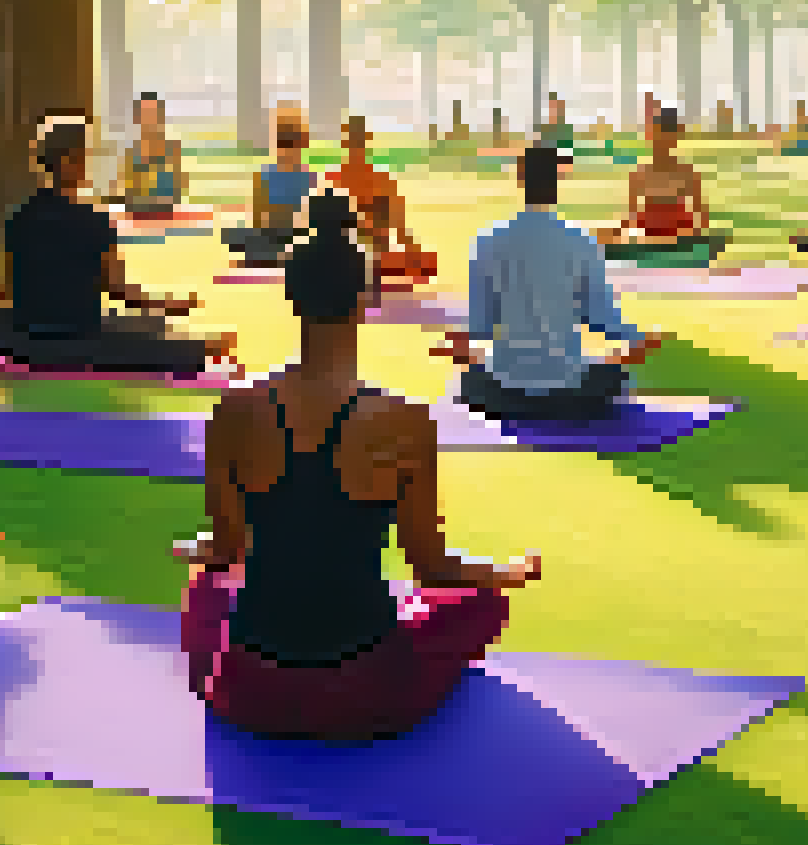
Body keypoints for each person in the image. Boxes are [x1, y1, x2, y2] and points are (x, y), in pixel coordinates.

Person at [176, 192, 538, 741]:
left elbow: (227, 551)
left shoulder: (232, 410)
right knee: (481, 603)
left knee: (205, 589)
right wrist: (502, 572)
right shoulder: (407, 421)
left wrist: (198, 551)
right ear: (363, 300)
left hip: (249, 690)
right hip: (368, 693)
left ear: (292, 300)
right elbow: (429, 566)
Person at [0, 111, 237, 375]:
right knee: (142, 336)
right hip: (79, 335)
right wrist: (168, 304)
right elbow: (119, 290)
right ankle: (208, 347)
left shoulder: (19, 216)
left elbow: (9, 290)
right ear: (72, 161)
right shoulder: (93, 219)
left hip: (26, 337)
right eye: (84, 156)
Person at [438, 145, 665, 422]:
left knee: (467, 377)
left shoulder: (487, 241)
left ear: (521, 180)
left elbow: (480, 328)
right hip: (571, 391)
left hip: (502, 392)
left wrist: (456, 344)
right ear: (557, 182)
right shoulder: (582, 241)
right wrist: (643, 340)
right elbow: (603, 321)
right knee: (616, 370)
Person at [327, 115, 437, 285]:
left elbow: (398, 225)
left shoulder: (379, 180)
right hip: (350, 255)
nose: (355, 147)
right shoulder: (335, 179)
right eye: (353, 141)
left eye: (358, 141)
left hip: (369, 256)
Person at [597, 107, 719, 257]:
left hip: (679, 239)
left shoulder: (686, 173)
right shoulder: (641, 174)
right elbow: (631, 216)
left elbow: (701, 216)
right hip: (652, 238)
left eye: (666, 136)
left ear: (674, 139)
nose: (659, 141)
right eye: (657, 135)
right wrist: (614, 235)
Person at [224, 109, 316, 267]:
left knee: (253, 240)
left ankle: (268, 254)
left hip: (290, 233)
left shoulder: (307, 175)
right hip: (270, 232)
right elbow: (258, 216)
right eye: (285, 142)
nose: (288, 149)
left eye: (291, 142)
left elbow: (306, 217)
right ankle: (269, 253)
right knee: (233, 235)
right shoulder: (267, 172)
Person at [112, 91, 189, 215]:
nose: (149, 119)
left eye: (153, 114)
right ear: (137, 118)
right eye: (144, 114)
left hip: (165, 214)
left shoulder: (173, 149)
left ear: (160, 117)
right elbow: (124, 191)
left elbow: (178, 191)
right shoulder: (129, 152)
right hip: (136, 214)